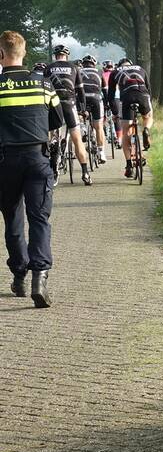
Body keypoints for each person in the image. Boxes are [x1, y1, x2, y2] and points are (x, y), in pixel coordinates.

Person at [0, 30, 63, 307]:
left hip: (5, 161)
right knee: (39, 219)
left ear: (1, 54)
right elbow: (57, 120)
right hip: (37, 158)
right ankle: (40, 277)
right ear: (24, 53)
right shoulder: (44, 84)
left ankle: (19, 275)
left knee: (13, 219)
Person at [45, 45, 91, 185]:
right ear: (67, 56)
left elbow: (44, 89)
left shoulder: (48, 68)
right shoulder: (74, 68)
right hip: (69, 104)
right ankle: (85, 173)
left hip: (53, 104)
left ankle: (53, 163)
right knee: (77, 139)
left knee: (51, 135)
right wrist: (83, 109)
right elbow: (80, 91)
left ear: (55, 56)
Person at [108, 57, 153, 179]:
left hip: (127, 98)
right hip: (142, 95)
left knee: (126, 132)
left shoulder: (115, 72)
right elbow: (149, 89)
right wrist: (148, 103)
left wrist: (115, 113)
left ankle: (129, 165)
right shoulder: (140, 68)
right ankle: (146, 129)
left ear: (120, 65)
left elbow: (111, 96)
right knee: (148, 117)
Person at [79, 55, 107, 163]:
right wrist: (107, 104)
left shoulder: (78, 71)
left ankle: (83, 128)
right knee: (99, 126)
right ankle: (101, 152)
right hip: (96, 99)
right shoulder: (99, 72)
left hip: (82, 99)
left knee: (80, 116)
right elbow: (105, 90)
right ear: (94, 64)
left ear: (83, 64)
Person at [102, 60, 122, 146]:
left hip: (103, 97)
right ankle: (119, 139)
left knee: (101, 116)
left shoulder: (102, 74)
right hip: (116, 97)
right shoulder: (117, 74)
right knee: (117, 117)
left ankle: (102, 129)